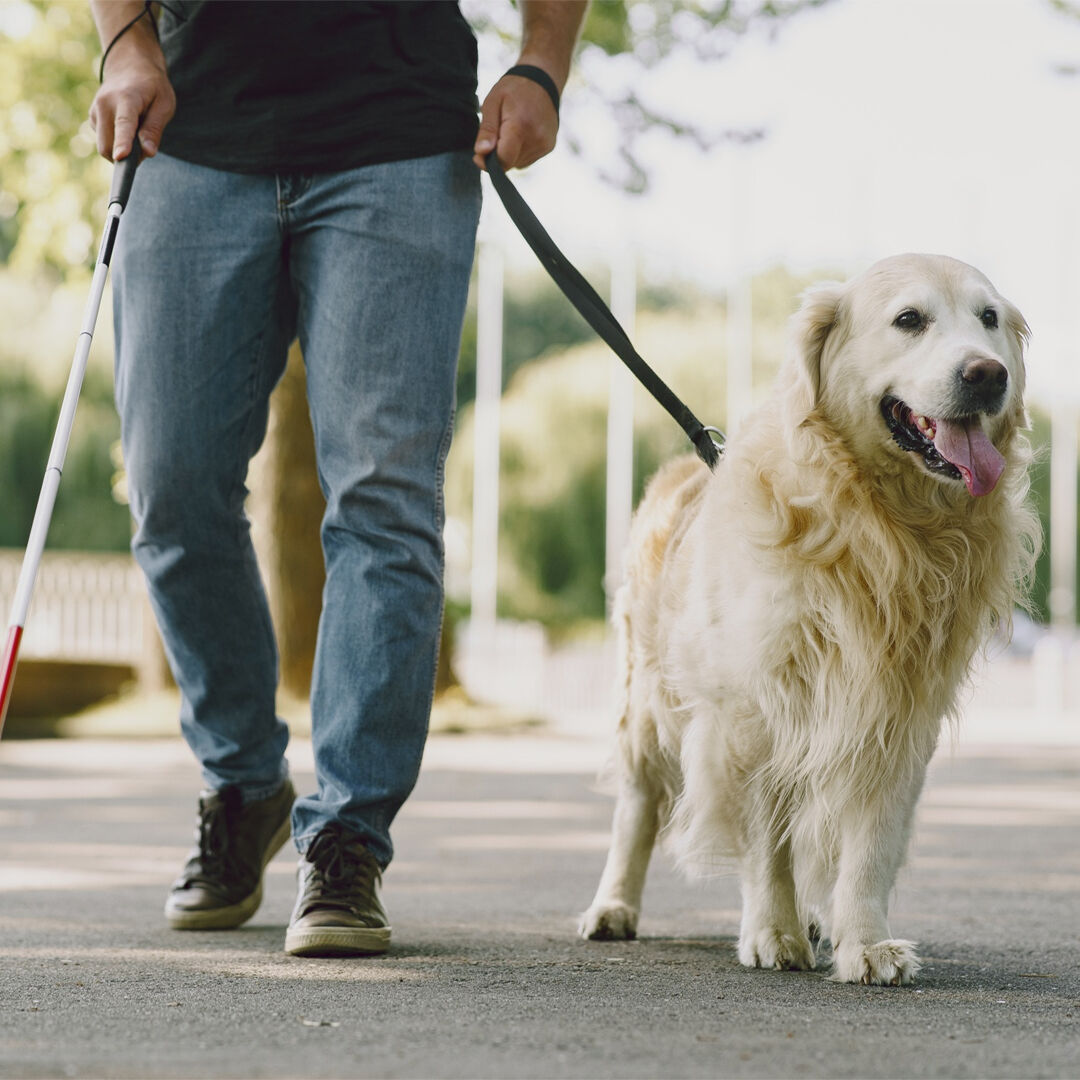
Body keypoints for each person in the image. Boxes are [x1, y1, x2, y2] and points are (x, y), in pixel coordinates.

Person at [88, 0, 588, 958]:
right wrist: (124, 40)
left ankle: (348, 834)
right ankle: (244, 785)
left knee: (383, 501)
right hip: (192, 133)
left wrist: (543, 64)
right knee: (172, 488)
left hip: (397, 140)